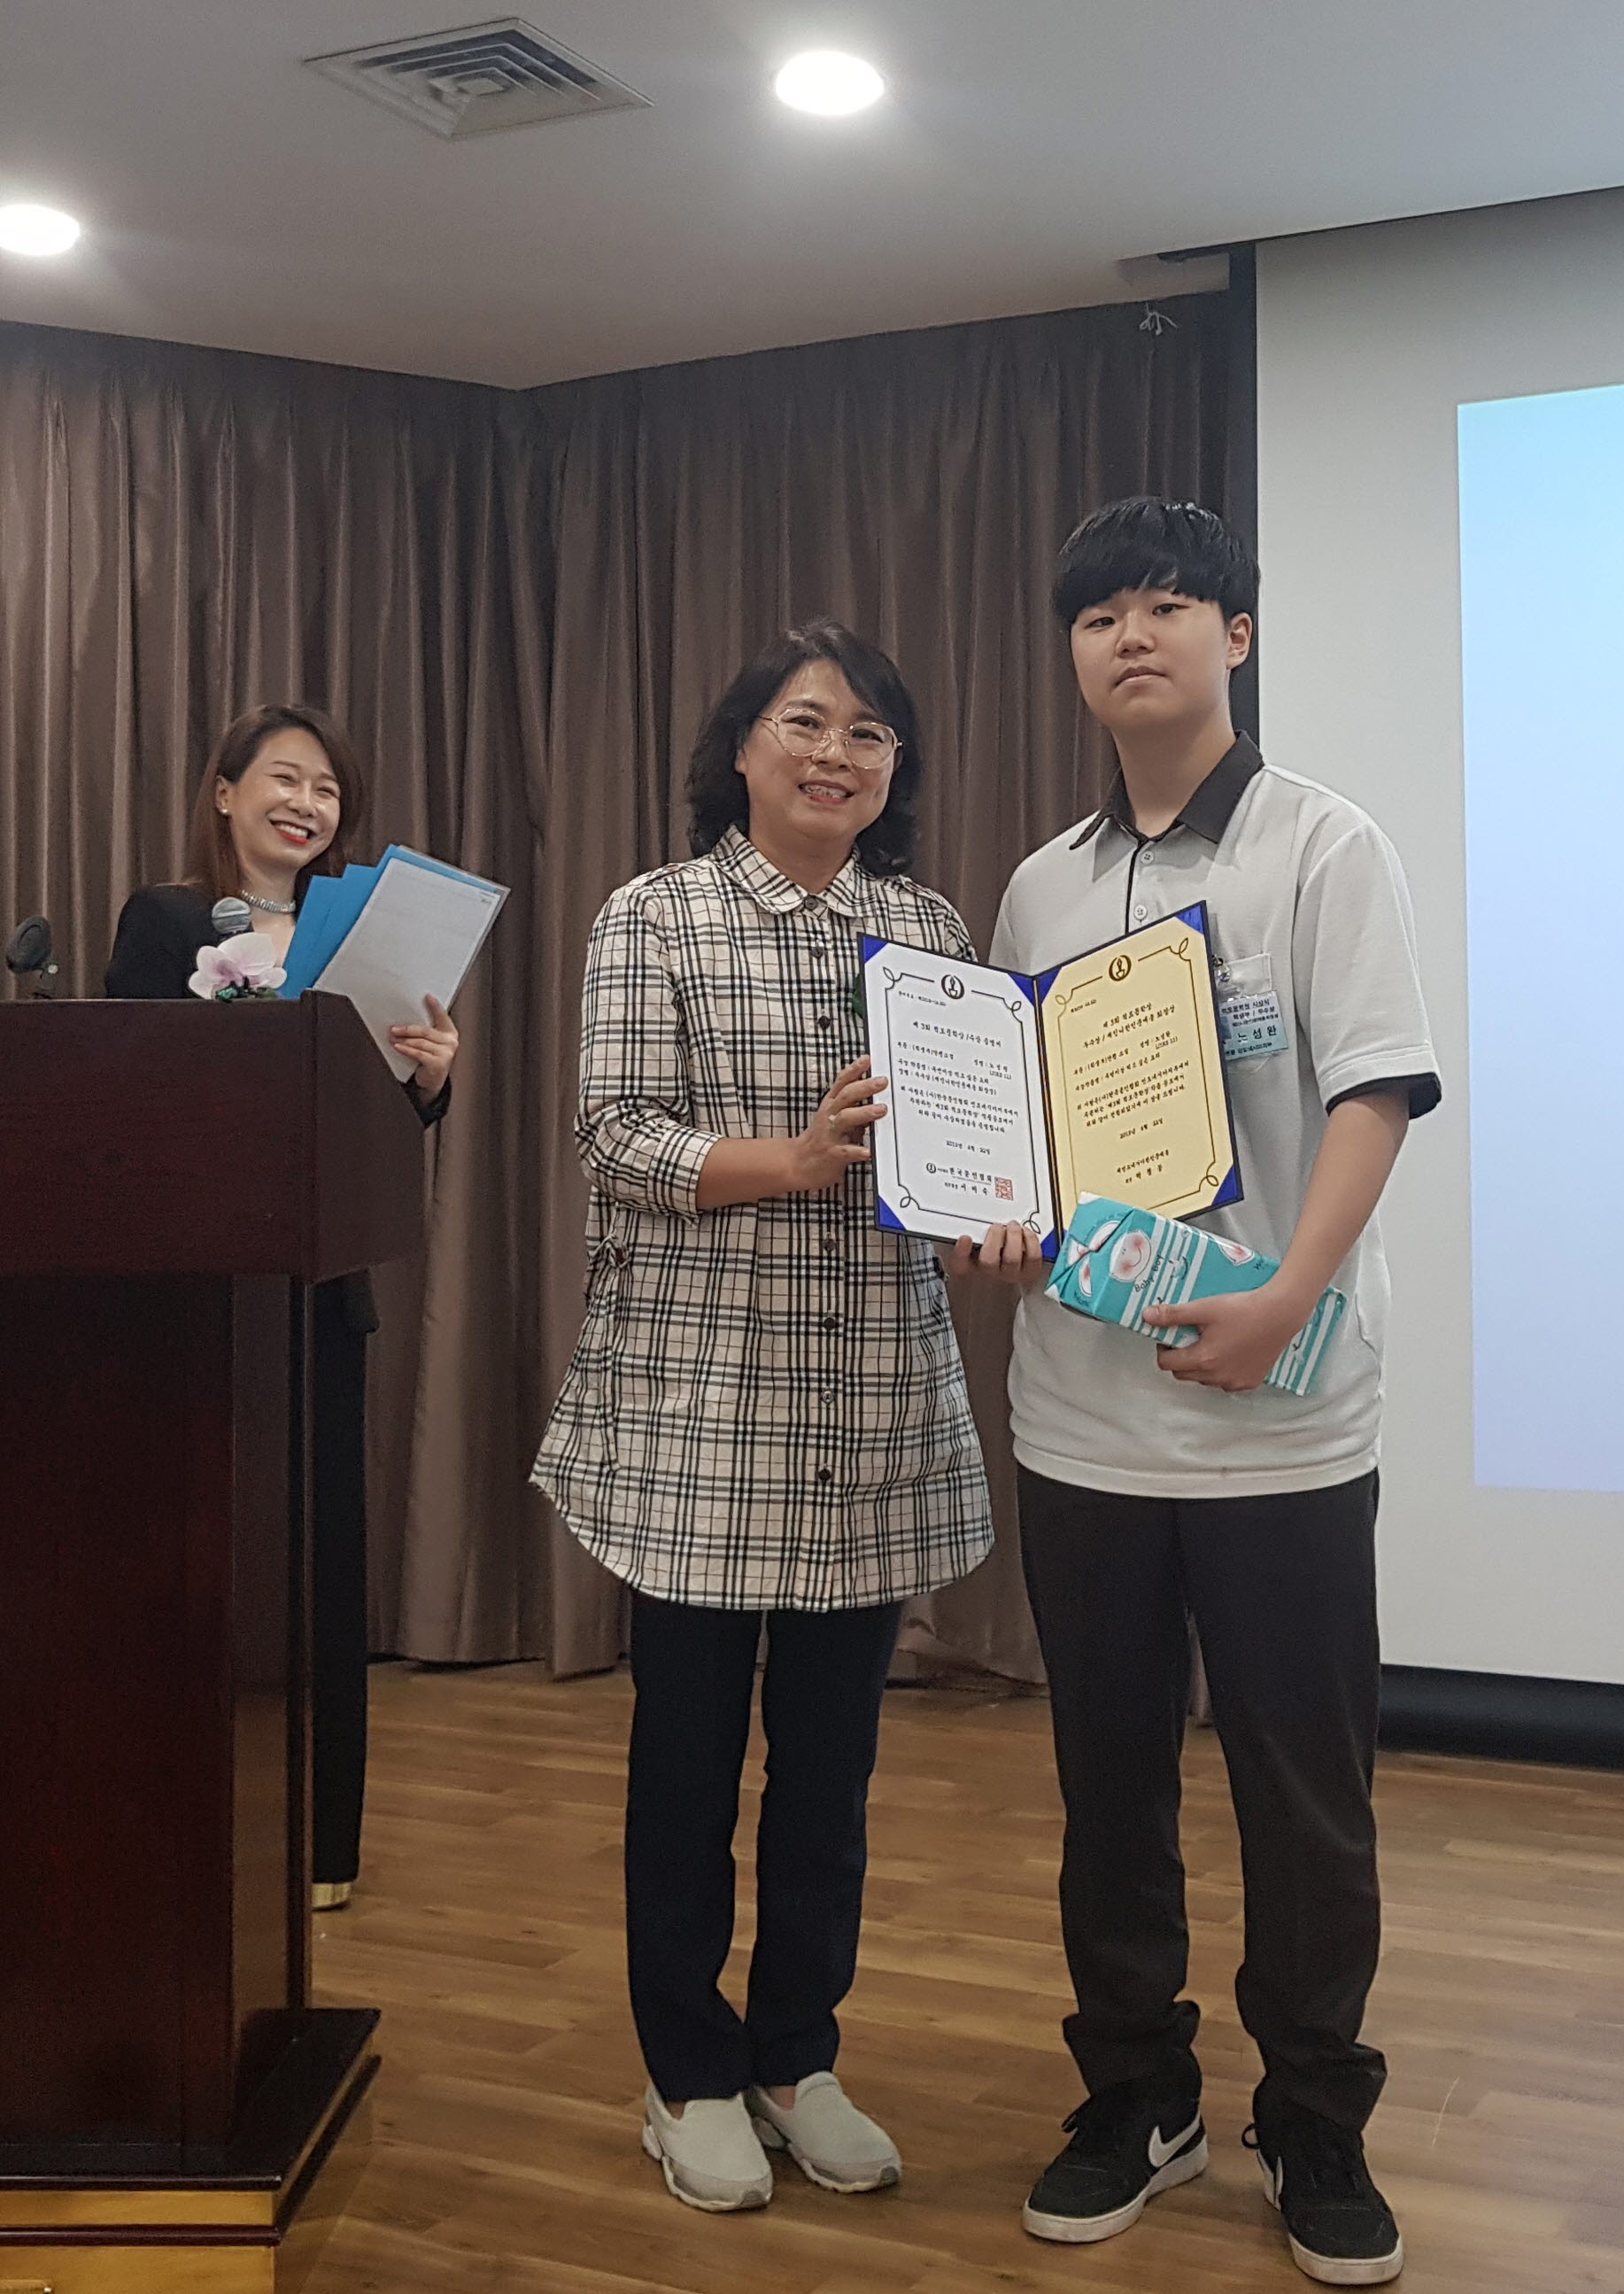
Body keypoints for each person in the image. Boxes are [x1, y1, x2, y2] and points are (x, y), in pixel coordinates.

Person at [947, 500, 1438, 2288]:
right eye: (1099, 614)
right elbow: (1023, 1128)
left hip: (1282, 1413)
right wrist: (994, 1218)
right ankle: (1136, 2095)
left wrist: (1285, 1294)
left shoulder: (1323, 845)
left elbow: (1374, 1091)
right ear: (1073, 653)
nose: (1130, 636)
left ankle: (1314, 2116)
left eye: (1166, 605)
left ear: (1235, 633)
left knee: (1303, 1795)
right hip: (1082, 1416)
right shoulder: (1041, 884)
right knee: (1108, 1786)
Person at [530, 618, 994, 2217]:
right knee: (685, 1767)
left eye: (869, 732)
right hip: (704, 1416)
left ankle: (798, 2057)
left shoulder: (925, 930)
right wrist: (790, 1160)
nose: (834, 754)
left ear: (893, 771)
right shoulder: (653, 913)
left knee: (831, 1773)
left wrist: (995, 1193)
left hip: (869, 1407)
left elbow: (959, 1150)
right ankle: (689, 2074)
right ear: (740, 747)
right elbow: (613, 1136)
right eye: (805, 721)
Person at [104, 703, 460, 1913]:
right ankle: (186, 1825)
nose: (307, 804)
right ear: (224, 790)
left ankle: (321, 1846)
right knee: (201, 1571)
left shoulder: (359, 934)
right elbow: (132, 1088)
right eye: (284, 779)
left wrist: (428, 1079)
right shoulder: (165, 921)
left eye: (327, 789)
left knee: (318, 1568)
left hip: (320, 1292)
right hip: (202, 1297)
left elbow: (373, 1126)